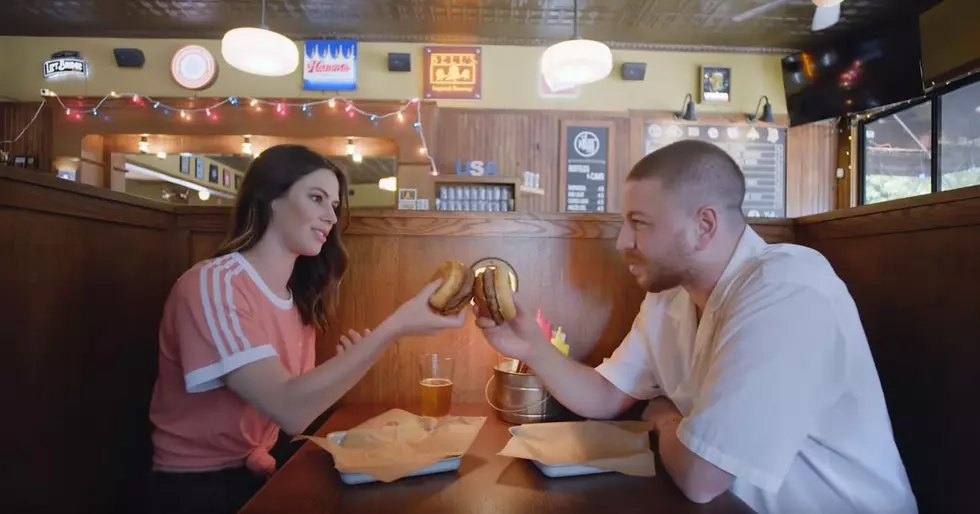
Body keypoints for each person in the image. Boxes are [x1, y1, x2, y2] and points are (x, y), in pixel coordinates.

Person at [475, 140, 917, 514]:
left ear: (704, 226)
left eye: (639, 224)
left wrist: (665, 418)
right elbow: (606, 395)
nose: (622, 242)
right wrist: (532, 347)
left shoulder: (787, 289)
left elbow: (701, 478)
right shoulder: (669, 297)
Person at [145, 145, 465, 514]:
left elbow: (299, 410)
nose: (330, 216)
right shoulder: (214, 284)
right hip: (197, 487)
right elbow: (289, 407)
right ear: (271, 198)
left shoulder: (297, 299)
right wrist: (394, 327)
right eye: (317, 198)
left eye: (334, 206)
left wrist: (354, 359)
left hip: (264, 470)